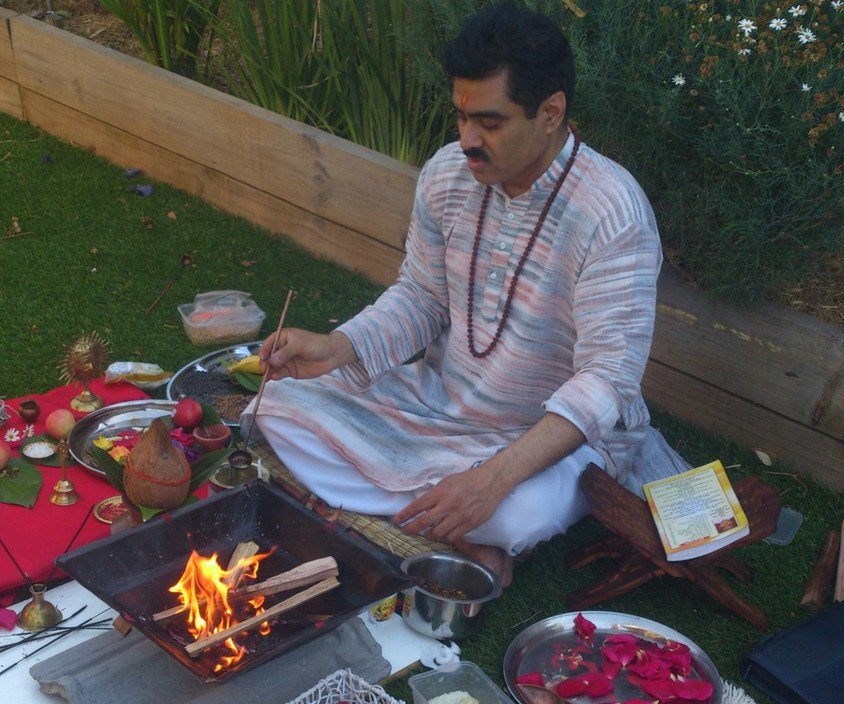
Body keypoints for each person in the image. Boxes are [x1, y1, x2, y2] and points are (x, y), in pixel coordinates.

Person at [245, 0, 688, 588]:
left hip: (543, 439)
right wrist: (337, 348)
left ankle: (453, 511)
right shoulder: (448, 174)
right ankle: (449, 518)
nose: (467, 139)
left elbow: (608, 379)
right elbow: (423, 297)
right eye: (460, 117)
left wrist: (494, 479)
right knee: (274, 408)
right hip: (439, 403)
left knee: (515, 513)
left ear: (551, 112)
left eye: (490, 122)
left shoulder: (613, 214)